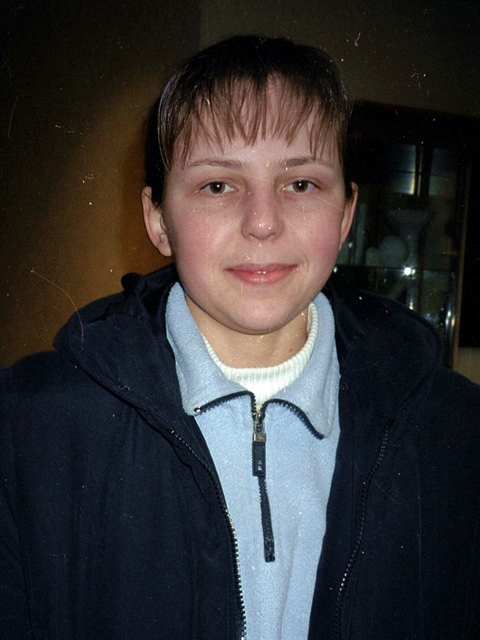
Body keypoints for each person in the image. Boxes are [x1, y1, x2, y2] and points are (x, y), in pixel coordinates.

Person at [1, 35, 479, 640]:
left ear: (346, 215)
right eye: (217, 186)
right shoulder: (25, 428)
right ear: (158, 219)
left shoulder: (459, 432)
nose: (262, 222)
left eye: (300, 184)